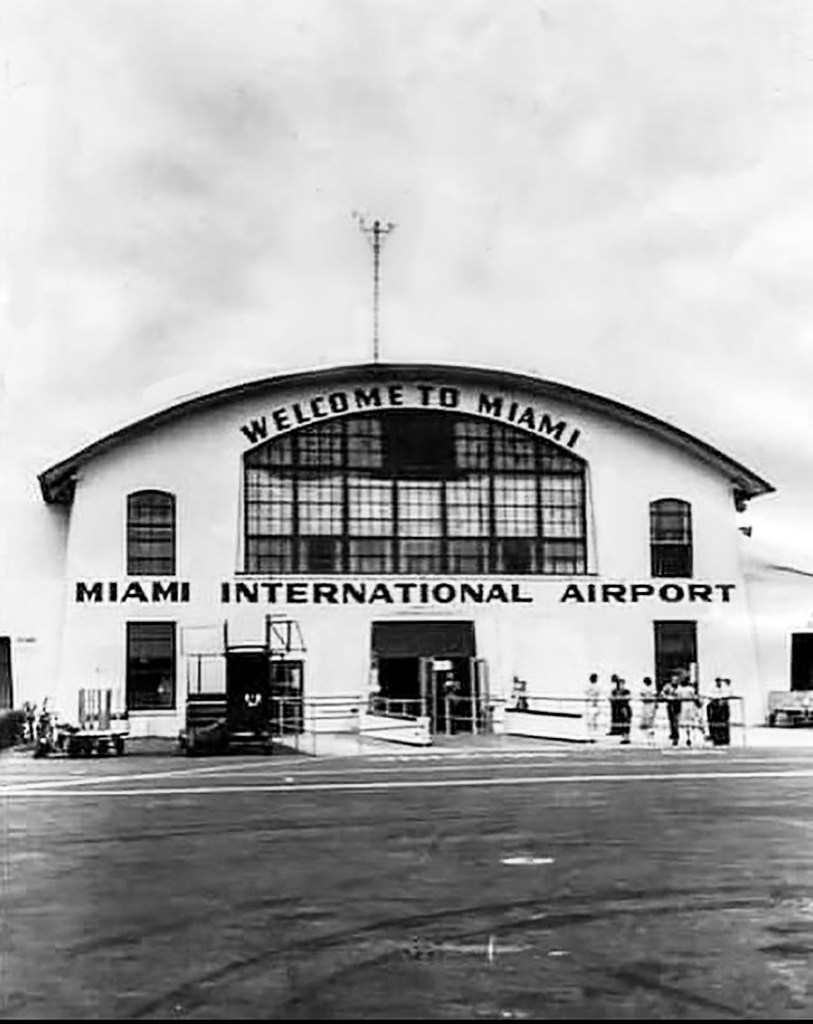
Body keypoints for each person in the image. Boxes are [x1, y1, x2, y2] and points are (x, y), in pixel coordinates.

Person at [677, 677, 702, 747]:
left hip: (689, 706)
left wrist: (698, 703)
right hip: (685, 706)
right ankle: (687, 737)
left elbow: (695, 697)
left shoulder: (689, 689)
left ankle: (691, 737)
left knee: (690, 722)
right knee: (686, 723)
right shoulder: (680, 689)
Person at [609, 676, 632, 744]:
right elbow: (611, 698)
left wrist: (620, 698)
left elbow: (628, 698)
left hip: (624, 707)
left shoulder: (626, 691)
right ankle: (623, 736)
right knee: (621, 722)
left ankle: (627, 737)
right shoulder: (614, 691)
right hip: (618, 708)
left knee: (626, 722)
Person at [661, 675, 681, 747]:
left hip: (677, 704)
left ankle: (676, 735)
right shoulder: (667, 686)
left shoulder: (680, 687)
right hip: (670, 704)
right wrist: (667, 697)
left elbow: (680, 695)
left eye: (676, 680)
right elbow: (662, 693)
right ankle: (673, 733)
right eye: (673, 680)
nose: (675, 682)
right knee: (671, 720)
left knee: (676, 720)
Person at [638, 676, 657, 746]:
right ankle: (646, 737)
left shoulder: (652, 689)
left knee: (650, 720)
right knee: (645, 721)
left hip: (651, 704)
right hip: (646, 705)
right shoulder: (644, 689)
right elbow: (642, 695)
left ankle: (651, 736)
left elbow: (654, 696)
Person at [584, 672, 602, 743]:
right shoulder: (591, 687)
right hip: (592, 706)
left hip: (594, 705)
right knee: (592, 722)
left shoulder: (595, 687)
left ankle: (593, 736)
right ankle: (592, 736)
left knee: (593, 722)